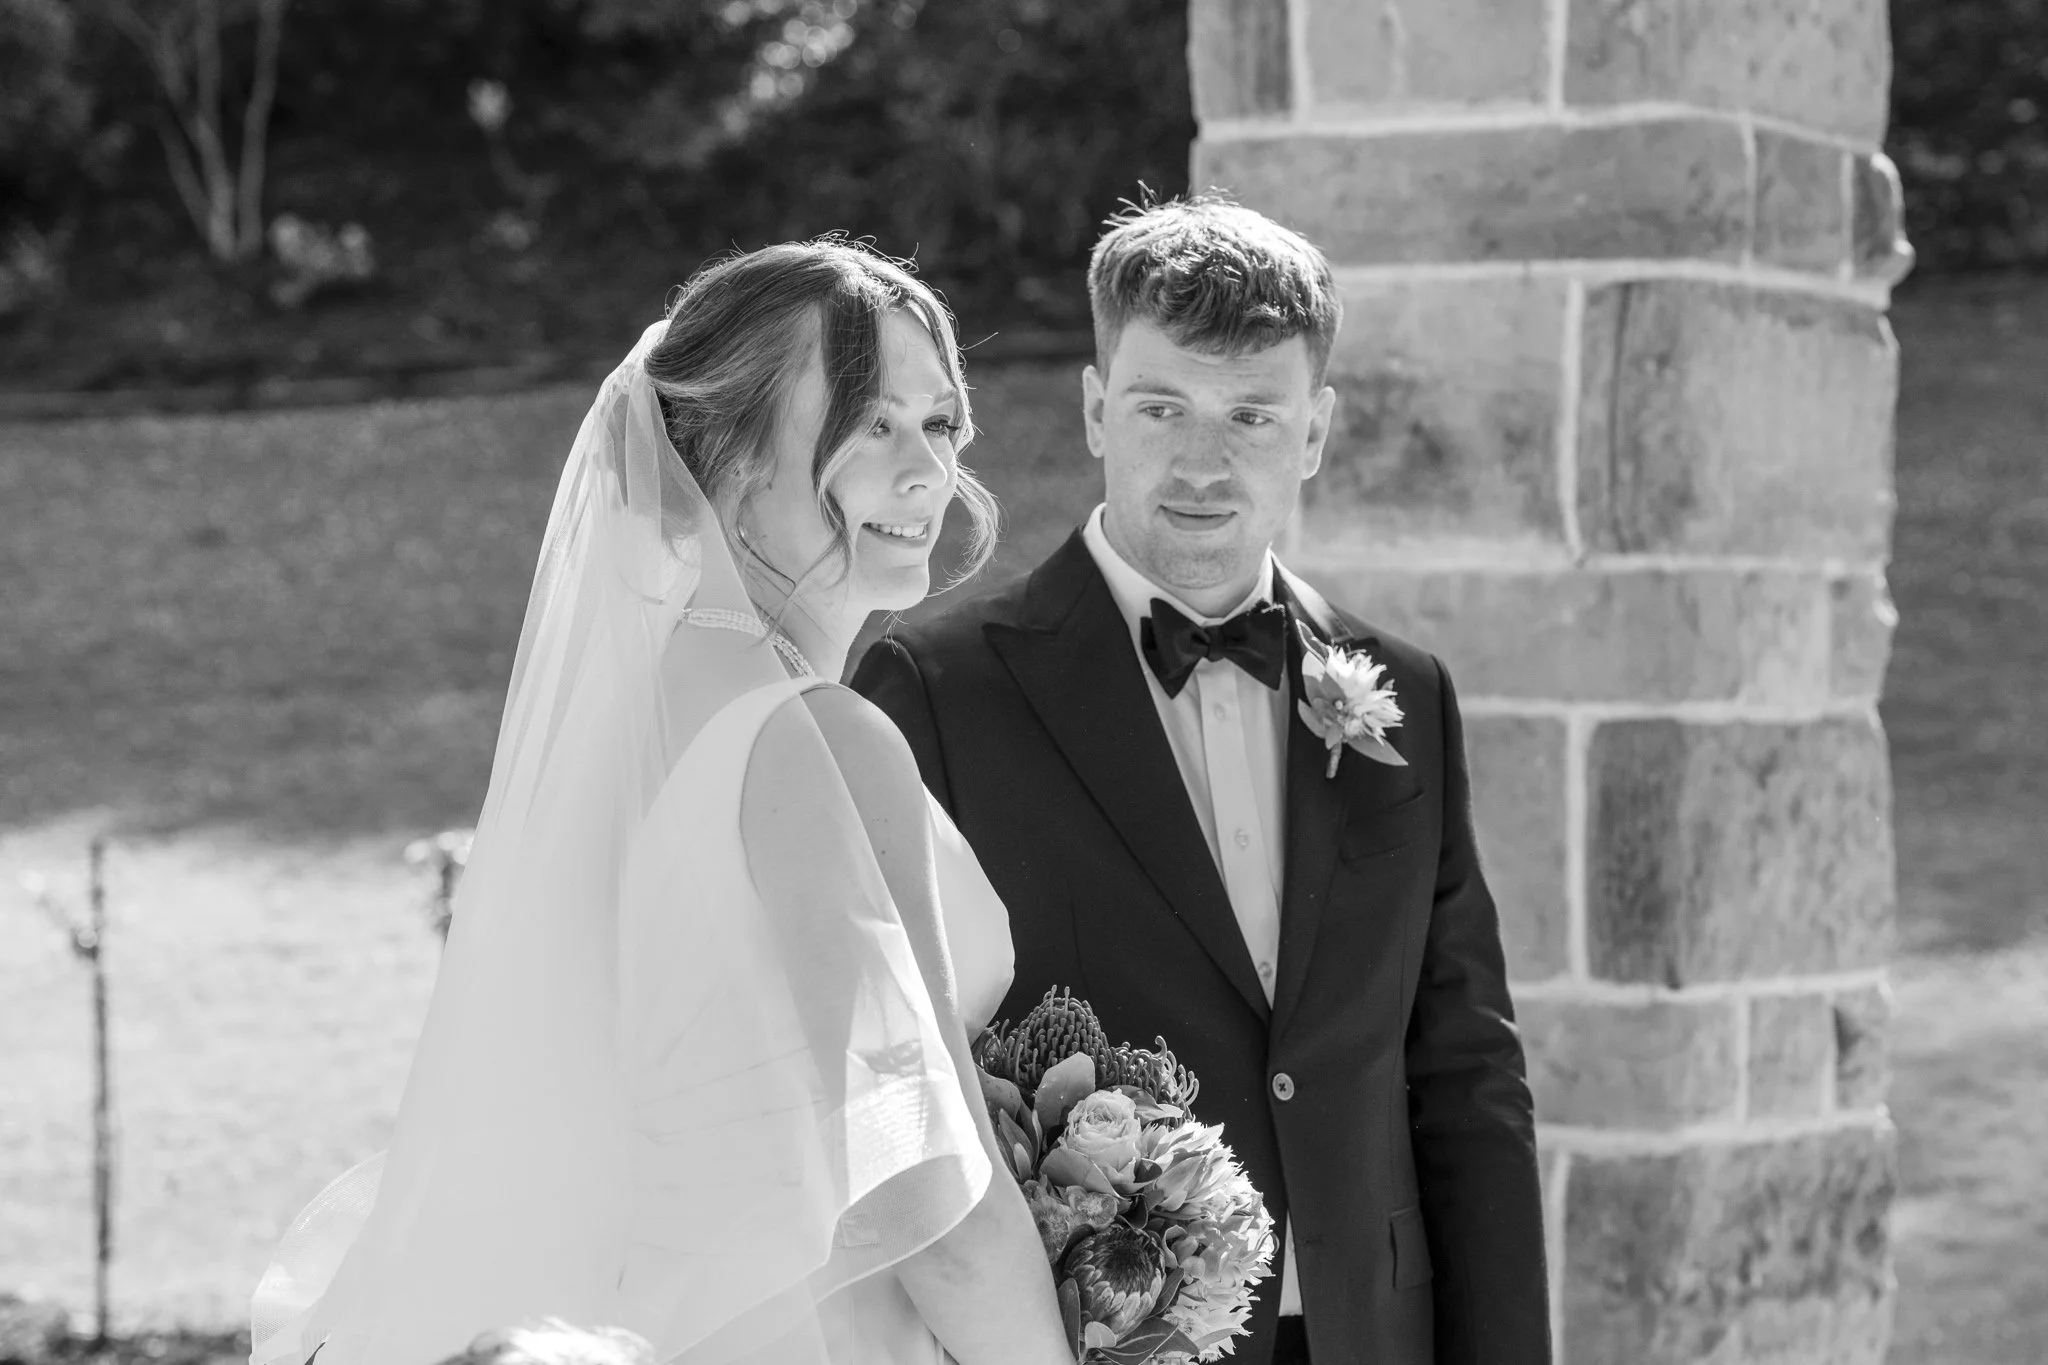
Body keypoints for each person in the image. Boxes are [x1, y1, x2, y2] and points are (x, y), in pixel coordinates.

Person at [249, 240, 1071, 1365]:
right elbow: (936, 1195)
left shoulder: (639, 722)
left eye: (938, 423)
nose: (924, 469)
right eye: (871, 424)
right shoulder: (820, 741)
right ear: (727, 461)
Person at [852, 196, 1551, 1365]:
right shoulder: (931, 689)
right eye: (1160, 406)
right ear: (1092, 409)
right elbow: (889, 1084)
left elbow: (1466, 1072)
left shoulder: (1407, 694)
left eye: (1251, 417)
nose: (1202, 463)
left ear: (1316, 431)